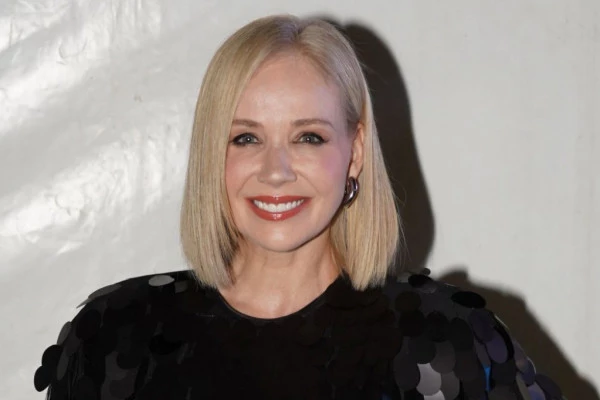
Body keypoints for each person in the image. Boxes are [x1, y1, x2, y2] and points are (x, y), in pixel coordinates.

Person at [34, 15, 563, 400]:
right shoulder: (115, 339)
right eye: (245, 138)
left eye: (308, 137)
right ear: (211, 154)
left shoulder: (446, 343)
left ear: (355, 152)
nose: (276, 170)